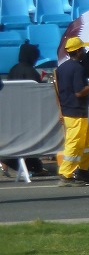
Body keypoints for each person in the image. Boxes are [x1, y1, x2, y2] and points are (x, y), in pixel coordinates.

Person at [56, 37, 89, 185]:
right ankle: (66, 174)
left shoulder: (61, 68)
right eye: (82, 49)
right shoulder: (78, 68)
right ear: (77, 51)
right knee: (75, 144)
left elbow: (58, 90)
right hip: (76, 112)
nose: (84, 51)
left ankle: (83, 170)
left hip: (69, 111)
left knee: (87, 143)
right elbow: (79, 92)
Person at [0, 44, 51, 177]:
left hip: (13, 111)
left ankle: (7, 165)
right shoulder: (30, 71)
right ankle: (30, 166)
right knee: (28, 141)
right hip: (28, 113)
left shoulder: (13, 69)